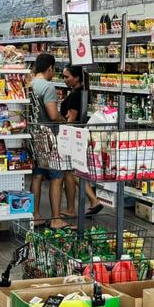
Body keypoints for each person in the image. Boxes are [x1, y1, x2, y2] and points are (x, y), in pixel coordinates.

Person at [29, 53, 67, 228]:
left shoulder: (29, 84)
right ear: (50, 68)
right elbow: (52, 115)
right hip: (48, 138)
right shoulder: (48, 87)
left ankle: (35, 215)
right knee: (57, 177)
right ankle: (56, 219)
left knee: (37, 176)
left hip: (32, 136)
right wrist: (62, 119)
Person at [60, 66, 103, 216]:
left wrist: (62, 136)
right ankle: (73, 208)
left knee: (71, 172)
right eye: (63, 77)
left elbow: (71, 119)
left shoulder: (75, 95)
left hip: (72, 137)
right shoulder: (83, 92)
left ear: (77, 77)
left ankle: (91, 200)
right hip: (79, 136)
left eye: (67, 77)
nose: (65, 80)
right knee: (72, 171)